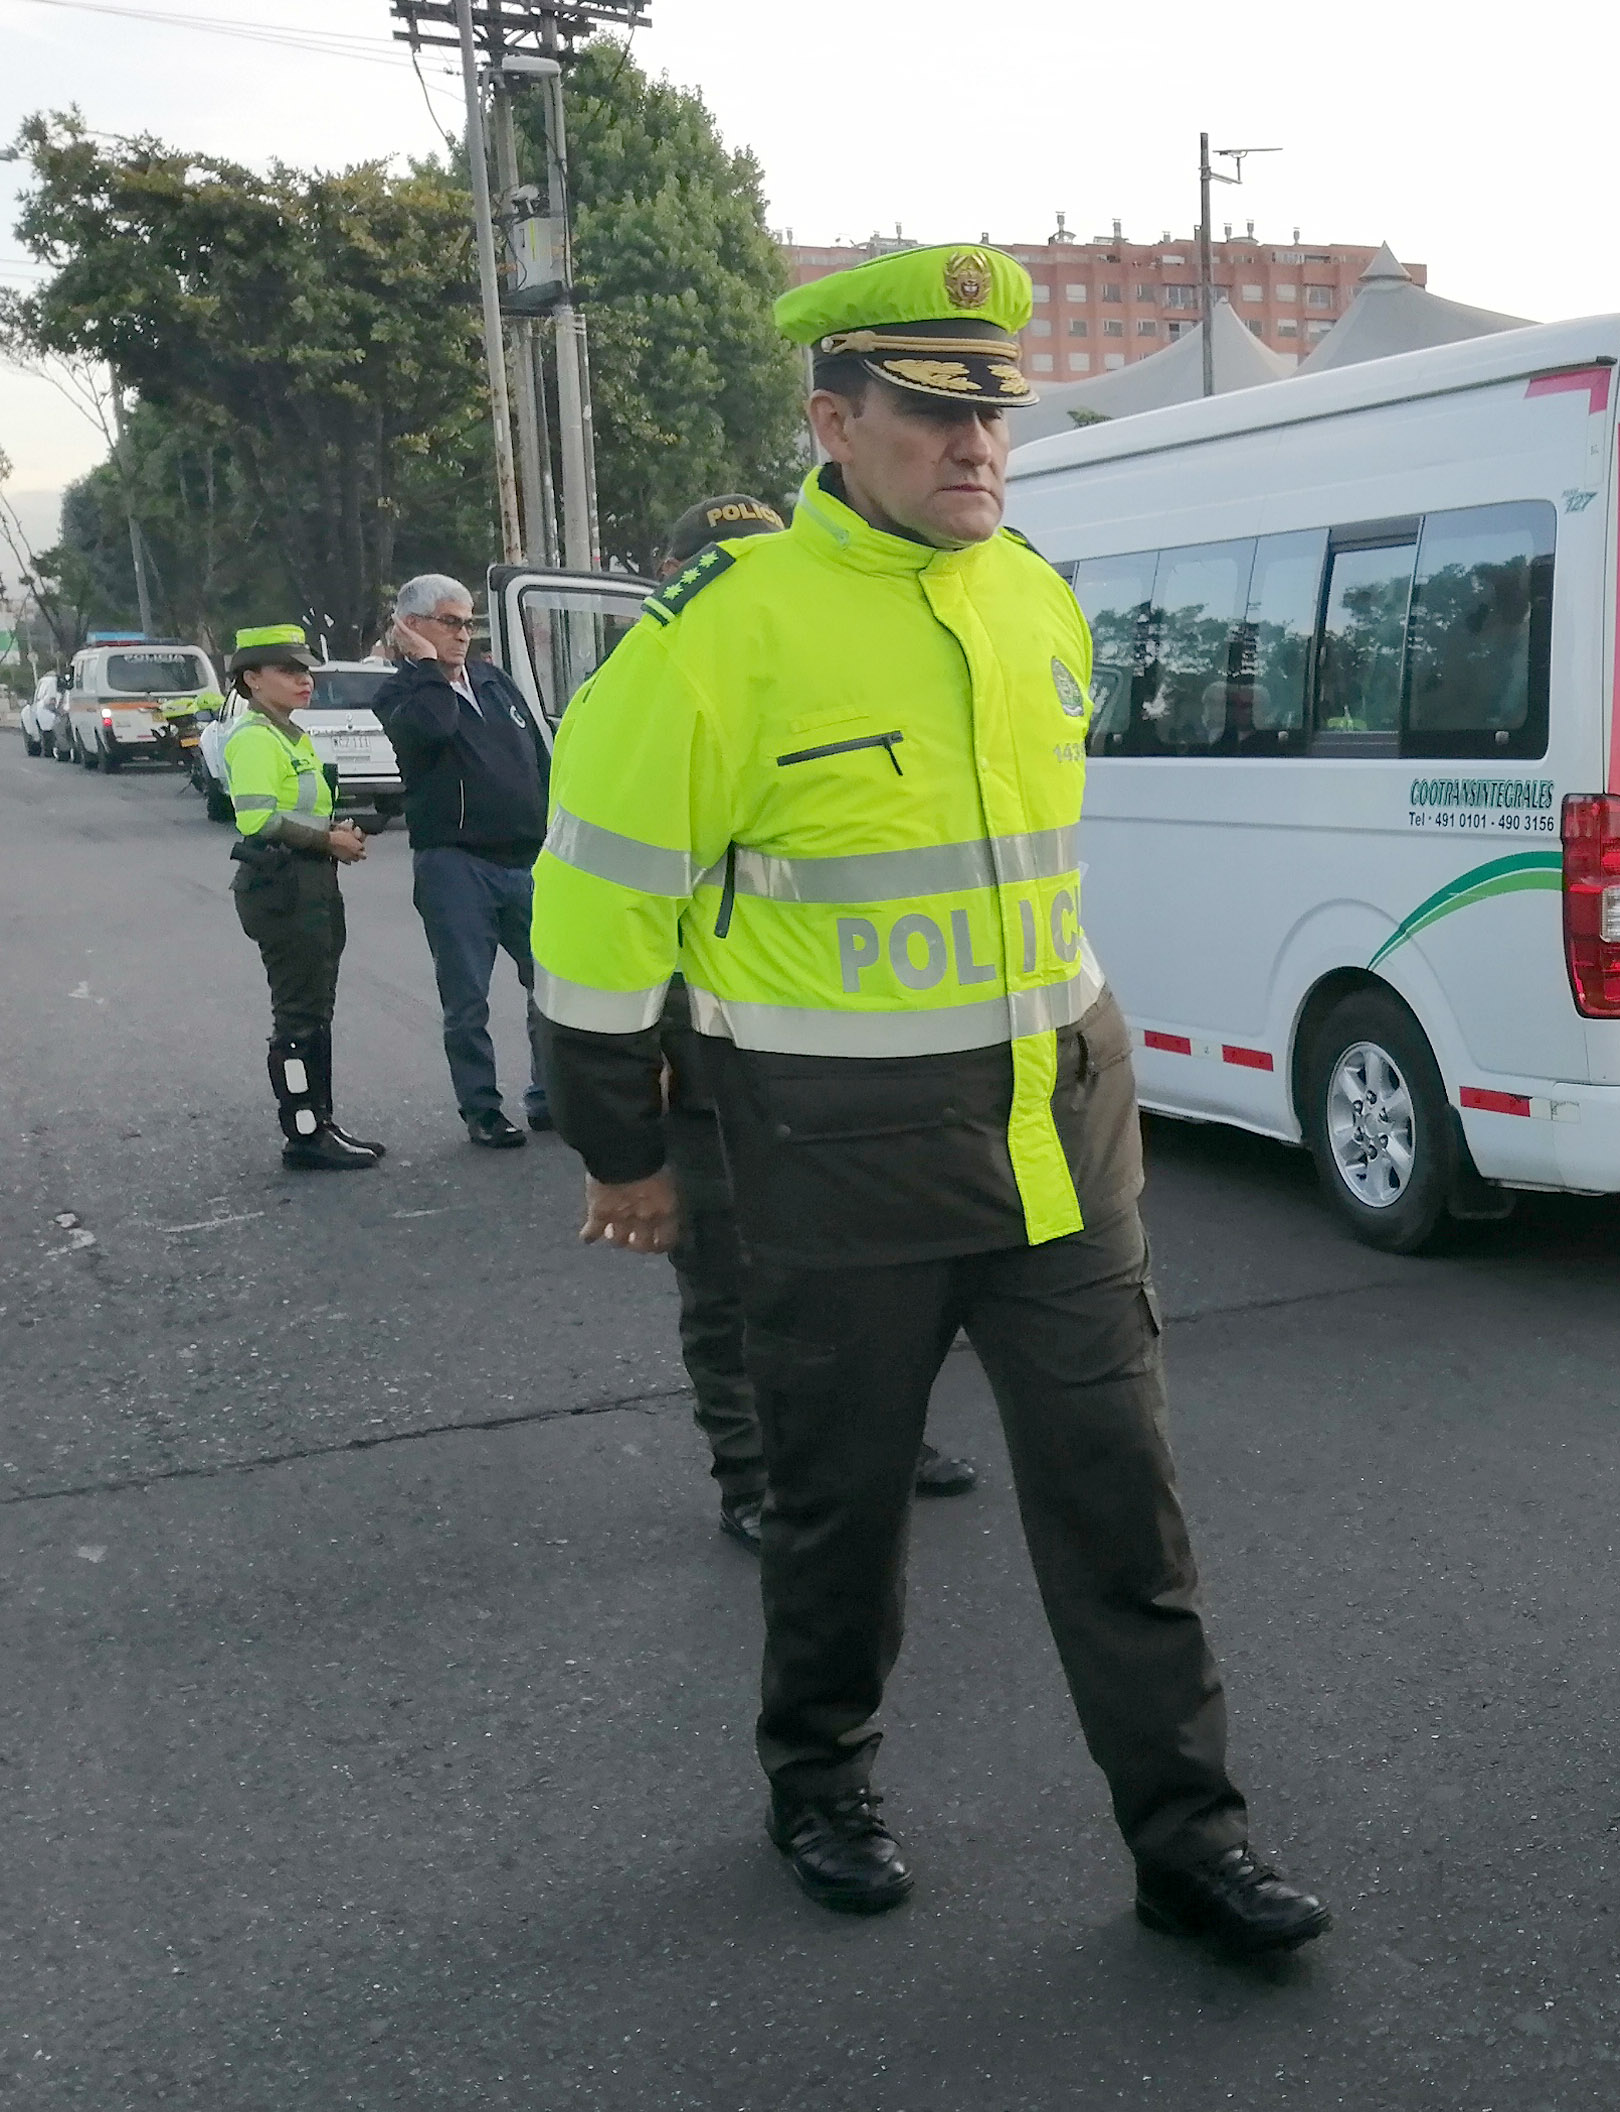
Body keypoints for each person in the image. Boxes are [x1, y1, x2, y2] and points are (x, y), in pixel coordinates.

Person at [530, 243, 1327, 1953]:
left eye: (993, 419)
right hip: (834, 1160)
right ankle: (819, 1778)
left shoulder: (1031, 596)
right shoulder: (712, 643)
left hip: (1059, 1129)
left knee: (1124, 1502)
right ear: (833, 420)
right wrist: (624, 1149)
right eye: (929, 418)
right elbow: (595, 917)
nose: (975, 450)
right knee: (840, 1504)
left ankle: (1190, 1841)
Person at [641, 487, 982, 1551]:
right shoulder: (654, 708)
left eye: (768, 561)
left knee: (879, 1275)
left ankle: (884, 1440)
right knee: (731, 1285)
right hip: (708, 1060)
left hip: (840, 1060)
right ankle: (751, 1476)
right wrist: (633, 1059)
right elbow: (606, 908)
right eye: (730, 566)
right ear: (686, 585)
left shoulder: (834, 690)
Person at [373, 574, 555, 1149]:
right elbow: (432, 729)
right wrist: (428, 668)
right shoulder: (403, 693)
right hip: (455, 864)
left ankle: (550, 1096)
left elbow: (535, 758)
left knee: (551, 984)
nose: (462, 634)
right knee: (467, 997)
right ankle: (482, 1109)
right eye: (450, 622)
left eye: (468, 622)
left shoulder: (494, 680)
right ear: (413, 627)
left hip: (525, 860)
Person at [220, 623, 381, 1172]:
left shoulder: (292, 735)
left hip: (312, 881)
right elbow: (258, 817)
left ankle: (323, 1120)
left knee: (317, 1008)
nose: (304, 680)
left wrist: (338, 828)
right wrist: (325, 840)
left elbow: (303, 808)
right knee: (297, 1016)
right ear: (252, 679)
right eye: (290, 671)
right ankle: (304, 1132)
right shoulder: (253, 738)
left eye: (305, 670)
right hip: (282, 887)